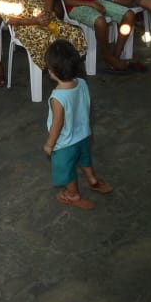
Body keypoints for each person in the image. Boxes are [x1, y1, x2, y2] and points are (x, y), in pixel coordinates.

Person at [42, 39, 112, 210]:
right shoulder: (82, 83)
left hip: (65, 143)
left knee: (67, 170)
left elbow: (58, 124)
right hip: (84, 135)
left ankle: (73, 195)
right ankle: (93, 180)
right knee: (84, 159)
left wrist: (50, 144)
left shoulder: (57, 97)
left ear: (52, 72)